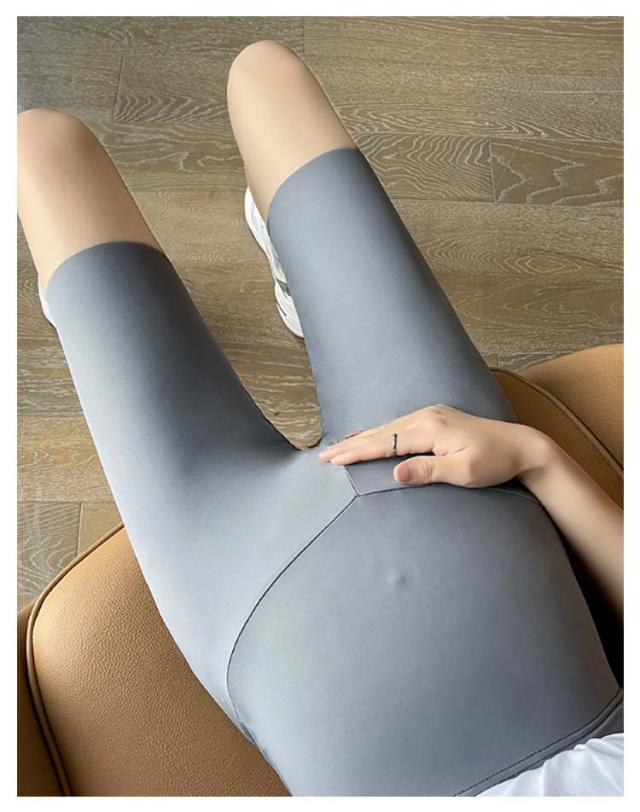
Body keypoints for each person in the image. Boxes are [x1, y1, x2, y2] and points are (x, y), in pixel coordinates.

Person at [17, 40, 623, 796]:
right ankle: (289, 267)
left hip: (258, 607)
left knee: (42, 147)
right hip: (463, 515)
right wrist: (537, 457)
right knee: (266, 74)